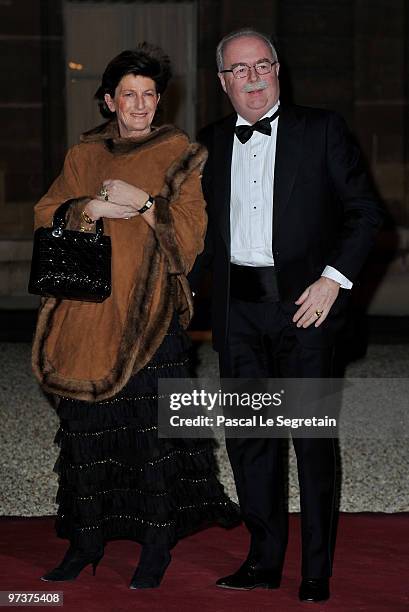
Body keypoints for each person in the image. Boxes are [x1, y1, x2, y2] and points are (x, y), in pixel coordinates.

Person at [31, 42, 238, 589]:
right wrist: (90, 208)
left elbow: (192, 238)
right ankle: (87, 541)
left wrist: (145, 206)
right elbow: (45, 212)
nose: (141, 104)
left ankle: (155, 548)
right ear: (109, 100)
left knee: (150, 441)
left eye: (150, 95)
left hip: (149, 322)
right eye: (130, 95)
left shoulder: (180, 154)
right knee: (86, 439)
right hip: (85, 321)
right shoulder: (83, 157)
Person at [191, 28, 383, 602]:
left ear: (279, 68)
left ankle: (316, 569)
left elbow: (366, 213)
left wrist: (333, 281)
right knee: (252, 442)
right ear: (223, 82)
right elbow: (199, 237)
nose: (252, 78)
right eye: (238, 70)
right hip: (238, 315)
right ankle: (263, 560)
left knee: (310, 442)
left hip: (307, 310)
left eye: (261, 65)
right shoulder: (209, 143)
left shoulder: (322, 130)